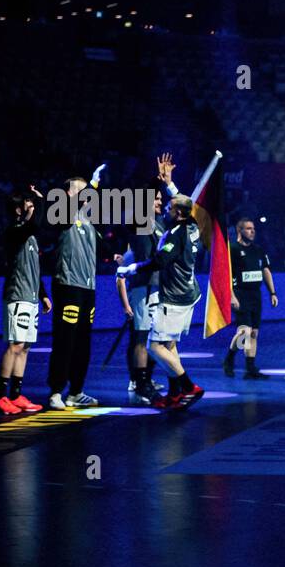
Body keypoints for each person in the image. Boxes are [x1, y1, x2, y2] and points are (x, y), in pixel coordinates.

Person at [117, 195, 205, 409]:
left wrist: (131, 268)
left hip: (174, 297)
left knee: (154, 346)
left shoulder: (175, 234)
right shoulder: (192, 227)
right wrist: (169, 184)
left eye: (169, 206)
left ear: (179, 213)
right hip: (190, 294)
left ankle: (188, 386)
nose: (165, 208)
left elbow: (160, 261)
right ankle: (175, 393)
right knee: (169, 344)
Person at [45, 165, 120, 409]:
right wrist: (93, 186)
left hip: (88, 288)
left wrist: (115, 256)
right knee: (64, 340)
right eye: (80, 190)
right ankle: (56, 391)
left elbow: (102, 250)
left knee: (83, 342)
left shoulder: (88, 221)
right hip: (68, 284)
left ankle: (76, 391)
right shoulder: (60, 214)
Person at [0, 189, 51, 414]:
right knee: (14, 345)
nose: (31, 207)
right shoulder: (13, 232)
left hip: (30, 296)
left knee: (25, 347)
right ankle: (0, 396)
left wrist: (43, 294)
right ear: (18, 209)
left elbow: (35, 269)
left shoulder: (31, 235)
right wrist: (39, 203)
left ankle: (16, 395)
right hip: (17, 295)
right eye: (27, 203)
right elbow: (32, 225)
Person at [118, 172, 168, 404]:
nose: (159, 201)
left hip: (159, 287)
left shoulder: (159, 224)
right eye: (155, 198)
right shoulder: (139, 221)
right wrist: (158, 181)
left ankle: (147, 379)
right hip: (143, 287)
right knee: (140, 336)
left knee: (155, 337)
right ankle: (140, 383)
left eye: (160, 198)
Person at [224, 217, 278, 379]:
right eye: (248, 228)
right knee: (244, 332)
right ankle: (230, 358)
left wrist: (272, 293)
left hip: (256, 295)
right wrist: (231, 296)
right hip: (240, 294)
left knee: (253, 333)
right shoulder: (232, 249)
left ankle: (250, 368)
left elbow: (266, 270)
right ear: (239, 231)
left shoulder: (259, 250)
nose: (252, 231)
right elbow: (226, 275)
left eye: (253, 228)